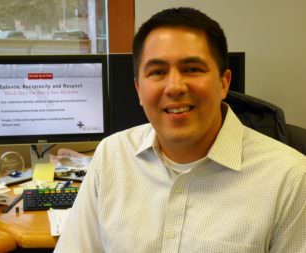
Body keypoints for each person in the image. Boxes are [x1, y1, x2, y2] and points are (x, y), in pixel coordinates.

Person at [54, 7, 306, 253]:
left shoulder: (290, 179)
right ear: (139, 90)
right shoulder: (112, 155)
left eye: (192, 69)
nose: (174, 87)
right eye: (157, 72)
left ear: (223, 83)